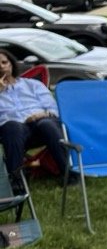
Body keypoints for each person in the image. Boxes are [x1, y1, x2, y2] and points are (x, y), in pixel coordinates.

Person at [0, 48, 70, 190]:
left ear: (11, 64)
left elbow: (52, 108)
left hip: (41, 124)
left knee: (46, 124)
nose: (1, 66)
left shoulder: (32, 84)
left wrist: (43, 114)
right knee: (13, 126)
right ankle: (16, 181)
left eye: (4, 62)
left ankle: (69, 174)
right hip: (13, 131)